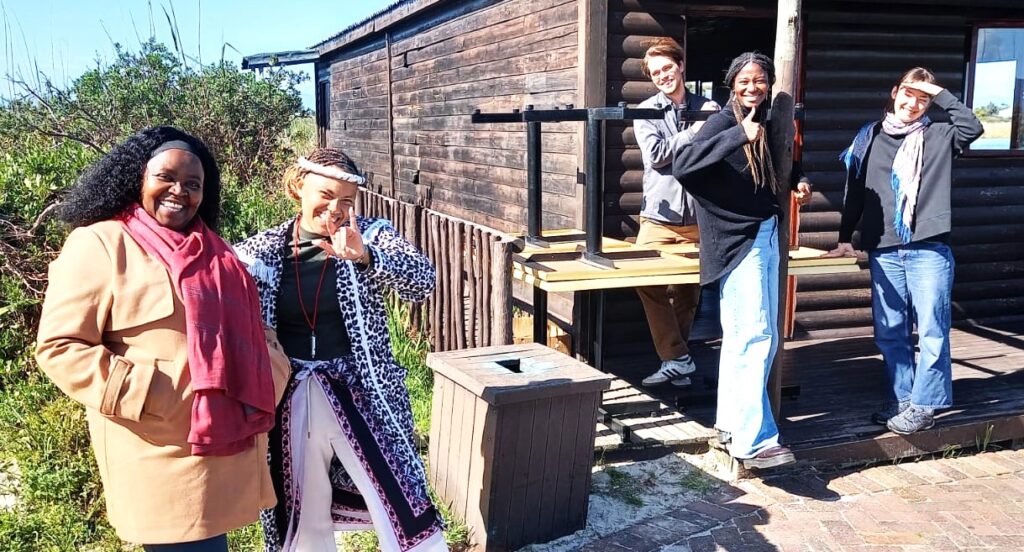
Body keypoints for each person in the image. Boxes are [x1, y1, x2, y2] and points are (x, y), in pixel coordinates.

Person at [35, 126, 291, 551]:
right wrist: (155, 393)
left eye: (193, 184)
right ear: (138, 178)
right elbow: (60, 347)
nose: (179, 192)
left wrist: (273, 370)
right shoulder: (101, 243)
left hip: (224, 446)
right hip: (156, 447)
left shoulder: (217, 251)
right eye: (166, 177)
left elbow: (252, 325)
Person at [234, 147, 447, 552]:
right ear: (299, 187)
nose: (335, 209)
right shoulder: (261, 252)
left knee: (403, 500)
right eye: (326, 195)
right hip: (291, 395)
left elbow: (423, 281)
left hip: (361, 390)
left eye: (347, 201)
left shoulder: (371, 234)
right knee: (300, 509)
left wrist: (367, 257)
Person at [672, 52, 812, 469]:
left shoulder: (769, 120)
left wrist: (799, 181)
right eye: (745, 80)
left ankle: (732, 426)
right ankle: (755, 441)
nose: (753, 87)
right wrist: (738, 135)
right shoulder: (723, 121)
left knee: (755, 338)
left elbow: (779, 165)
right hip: (738, 240)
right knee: (753, 335)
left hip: (766, 233)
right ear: (732, 84)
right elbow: (682, 164)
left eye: (760, 79)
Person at [825, 68, 983, 434]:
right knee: (890, 331)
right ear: (895, 92)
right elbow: (856, 190)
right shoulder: (869, 136)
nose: (913, 104)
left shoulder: (940, 135)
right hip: (884, 248)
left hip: (929, 248)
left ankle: (925, 405)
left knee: (932, 330)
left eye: (923, 98)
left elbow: (972, 127)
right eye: (909, 94)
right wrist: (846, 235)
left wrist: (938, 92)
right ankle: (904, 398)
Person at [633, 38, 720, 387]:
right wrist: (694, 134)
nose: (663, 76)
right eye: (656, 73)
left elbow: (715, 152)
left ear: (681, 66)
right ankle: (677, 355)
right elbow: (656, 155)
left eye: (667, 67)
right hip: (659, 217)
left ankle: (677, 361)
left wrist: (701, 132)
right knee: (644, 280)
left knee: (688, 293)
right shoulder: (645, 111)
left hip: (699, 218)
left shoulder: (709, 107)